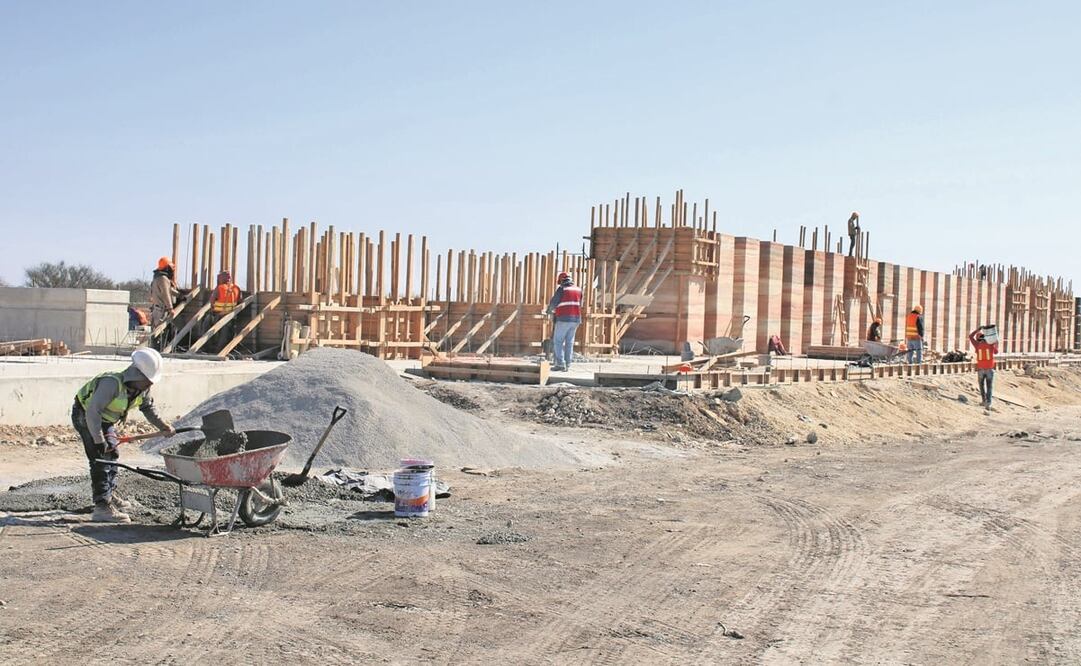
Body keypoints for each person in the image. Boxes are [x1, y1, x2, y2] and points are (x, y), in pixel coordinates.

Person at [72, 348, 175, 523]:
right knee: (101, 458)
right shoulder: (111, 384)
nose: (150, 384)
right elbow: (93, 412)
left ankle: (108, 494)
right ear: (137, 374)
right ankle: (102, 507)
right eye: (148, 380)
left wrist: (163, 426)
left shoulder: (141, 389)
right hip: (86, 416)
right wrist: (98, 439)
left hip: (105, 420)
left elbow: (148, 408)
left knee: (112, 454)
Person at [544, 271, 583, 372]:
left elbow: (554, 303)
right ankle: (568, 364)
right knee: (569, 342)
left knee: (558, 341)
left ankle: (560, 364)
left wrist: (549, 310)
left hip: (564, 319)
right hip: (576, 320)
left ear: (561, 281)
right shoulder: (579, 290)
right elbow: (579, 304)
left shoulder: (562, 289)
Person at [149, 257, 181, 348]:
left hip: (157, 309)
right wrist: (171, 308)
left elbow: (169, 289)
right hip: (162, 310)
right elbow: (166, 293)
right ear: (167, 268)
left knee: (157, 331)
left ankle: (157, 349)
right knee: (161, 332)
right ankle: (159, 350)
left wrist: (179, 295)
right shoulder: (163, 278)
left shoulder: (157, 277)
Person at [209, 270, 242, 353]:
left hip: (219, 314)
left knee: (213, 330)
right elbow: (240, 300)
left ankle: (217, 350)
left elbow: (212, 301)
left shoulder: (219, 288)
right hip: (231, 315)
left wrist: (213, 309)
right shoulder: (236, 288)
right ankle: (227, 350)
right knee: (227, 333)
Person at [969, 326, 999, 409]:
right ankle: (988, 402)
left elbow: (970, 336)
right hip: (989, 369)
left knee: (981, 385)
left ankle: (983, 400)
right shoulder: (990, 344)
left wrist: (978, 329)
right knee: (989, 386)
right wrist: (996, 342)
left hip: (981, 369)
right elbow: (996, 352)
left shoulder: (977, 345)